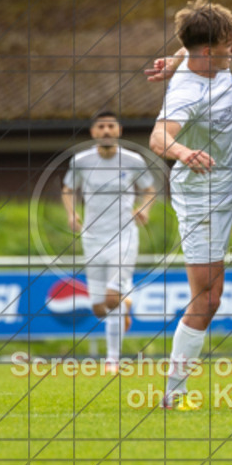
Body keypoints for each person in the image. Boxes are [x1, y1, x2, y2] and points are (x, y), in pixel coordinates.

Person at [149, 0, 232, 410]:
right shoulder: (188, 91)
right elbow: (158, 139)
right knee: (208, 298)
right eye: (227, 44)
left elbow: (188, 49)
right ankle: (174, 389)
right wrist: (185, 152)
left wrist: (173, 58)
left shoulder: (203, 60)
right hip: (201, 192)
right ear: (208, 52)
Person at [63, 111, 156, 369]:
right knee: (98, 307)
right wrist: (72, 213)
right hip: (92, 238)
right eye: (101, 126)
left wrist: (144, 208)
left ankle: (112, 360)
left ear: (119, 130)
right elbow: (68, 189)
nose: (106, 131)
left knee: (112, 297)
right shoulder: (80, 161)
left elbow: (149, 189)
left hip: (124, 236)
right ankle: (126, 303)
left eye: (110, 126)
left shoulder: (133, 160)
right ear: (93, 132)